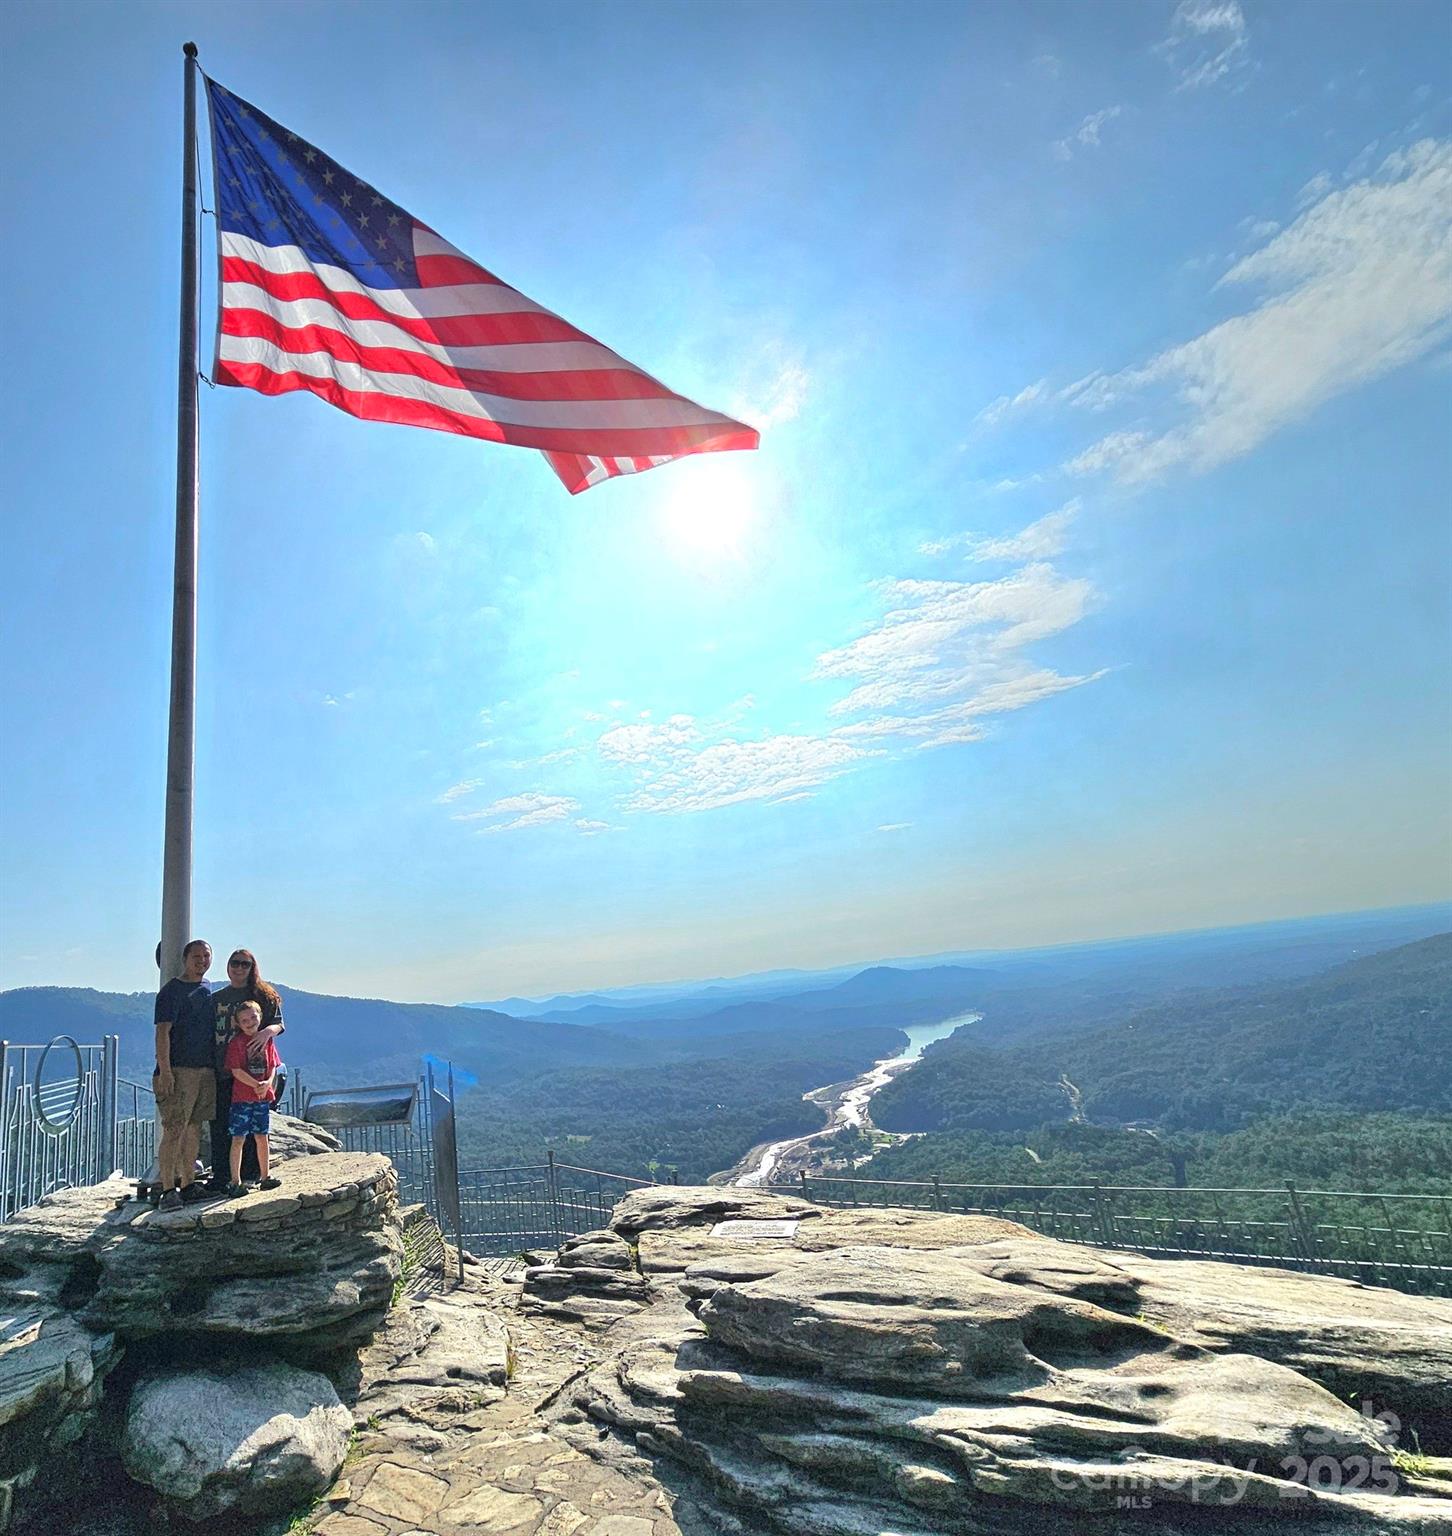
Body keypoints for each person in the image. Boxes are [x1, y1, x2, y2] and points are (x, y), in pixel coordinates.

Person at [206, 948, 285, 1190]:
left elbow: (279, 1023)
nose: (239, 968)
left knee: (255, 1127)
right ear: (227, 966)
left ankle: (253, 1173)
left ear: (253, 968)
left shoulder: (263, 995)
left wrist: (265, 1033)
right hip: (223, 1067)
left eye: (245, 964)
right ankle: (224, 1176)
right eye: (235, 963)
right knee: (221, 1124)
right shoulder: (216, 998)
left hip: (256, 1071)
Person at [153, 939, 216, 1210]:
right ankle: (168, 1189)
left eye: (206, 956)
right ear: (185, 959)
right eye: (196, 956)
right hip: (178, 1070)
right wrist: (165, 1071)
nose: (202, 960)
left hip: (204, 1069)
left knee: (194, 1129)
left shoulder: (207, 989)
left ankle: (189, 1184)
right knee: (174, 1129)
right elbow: (162, 1033)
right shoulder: (171, 992)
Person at [225, 1000, 282, 1196]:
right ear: (238, 1024)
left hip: (262, 1098)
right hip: (242, 1098)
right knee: (238, 1138)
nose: (249, 1022)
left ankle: (265, 1176)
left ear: (260, 1017)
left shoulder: (267, 1041)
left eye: (253, 1017)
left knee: (262, 1136)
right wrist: (255, 1084)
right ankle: (235, 1181)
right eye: (244, 1020)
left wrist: (267, 1083)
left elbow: (273, 1065)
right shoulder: (236, 1044)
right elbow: (236, 1070)